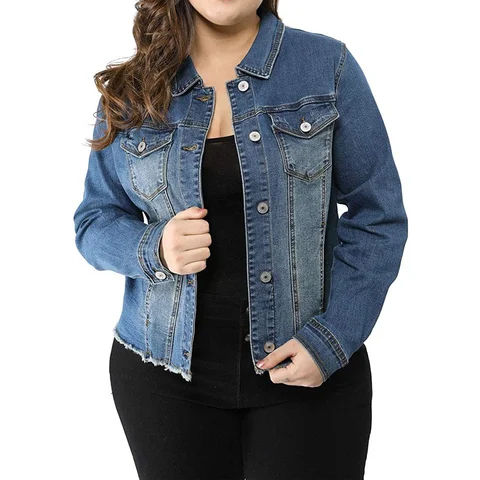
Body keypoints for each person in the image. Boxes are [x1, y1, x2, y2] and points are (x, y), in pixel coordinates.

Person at [73, 1, 408, 479]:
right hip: (163, 381)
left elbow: (378, 215)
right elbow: (94, 220)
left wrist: (332, 339)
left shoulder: (326, 68)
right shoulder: (132, 89)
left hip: (310, 371)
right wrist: (155, 247)